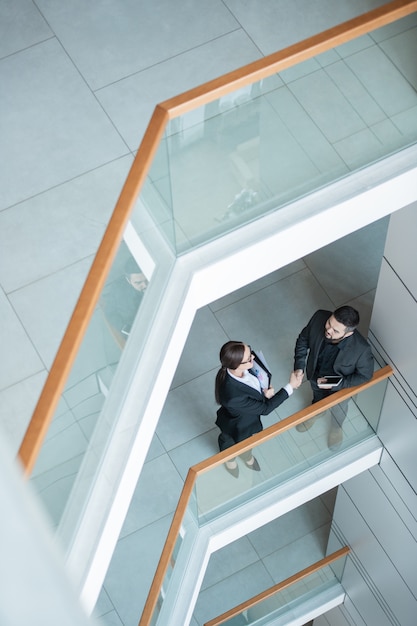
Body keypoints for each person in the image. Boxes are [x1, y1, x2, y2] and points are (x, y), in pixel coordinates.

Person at [215, 341, 302, 478]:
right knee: (232, 440)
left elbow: (251, 391)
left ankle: (246, 456)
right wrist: (290, 386)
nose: (253, 358)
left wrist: (263, 393)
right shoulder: (233, 396)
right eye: (249, 358)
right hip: (238, 424)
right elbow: (265, 409)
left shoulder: (241, 370)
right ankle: (230, 459)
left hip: (240, 416)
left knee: (243, 441)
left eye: (250, 352)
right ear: (237, 365)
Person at [293, 306, 374, 449]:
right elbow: (303, 340)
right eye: (329, 323)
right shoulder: (319, 317)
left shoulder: (362, 349)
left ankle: (336, 427)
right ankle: (318, 412)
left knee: (339, 409)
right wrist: (299, 366)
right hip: (315, 375)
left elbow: (365, 376)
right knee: (317, 398)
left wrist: (337, 384)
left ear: (348, 334)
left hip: (340, 387)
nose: (329, 330)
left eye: (336, 331)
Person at [101, 257, 148, 340]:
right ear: (128, 280)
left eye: (146, 280)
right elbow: (110, 313)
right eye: (138, 283)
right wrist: (126, 329)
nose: (145, 285)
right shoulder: (117, 289)